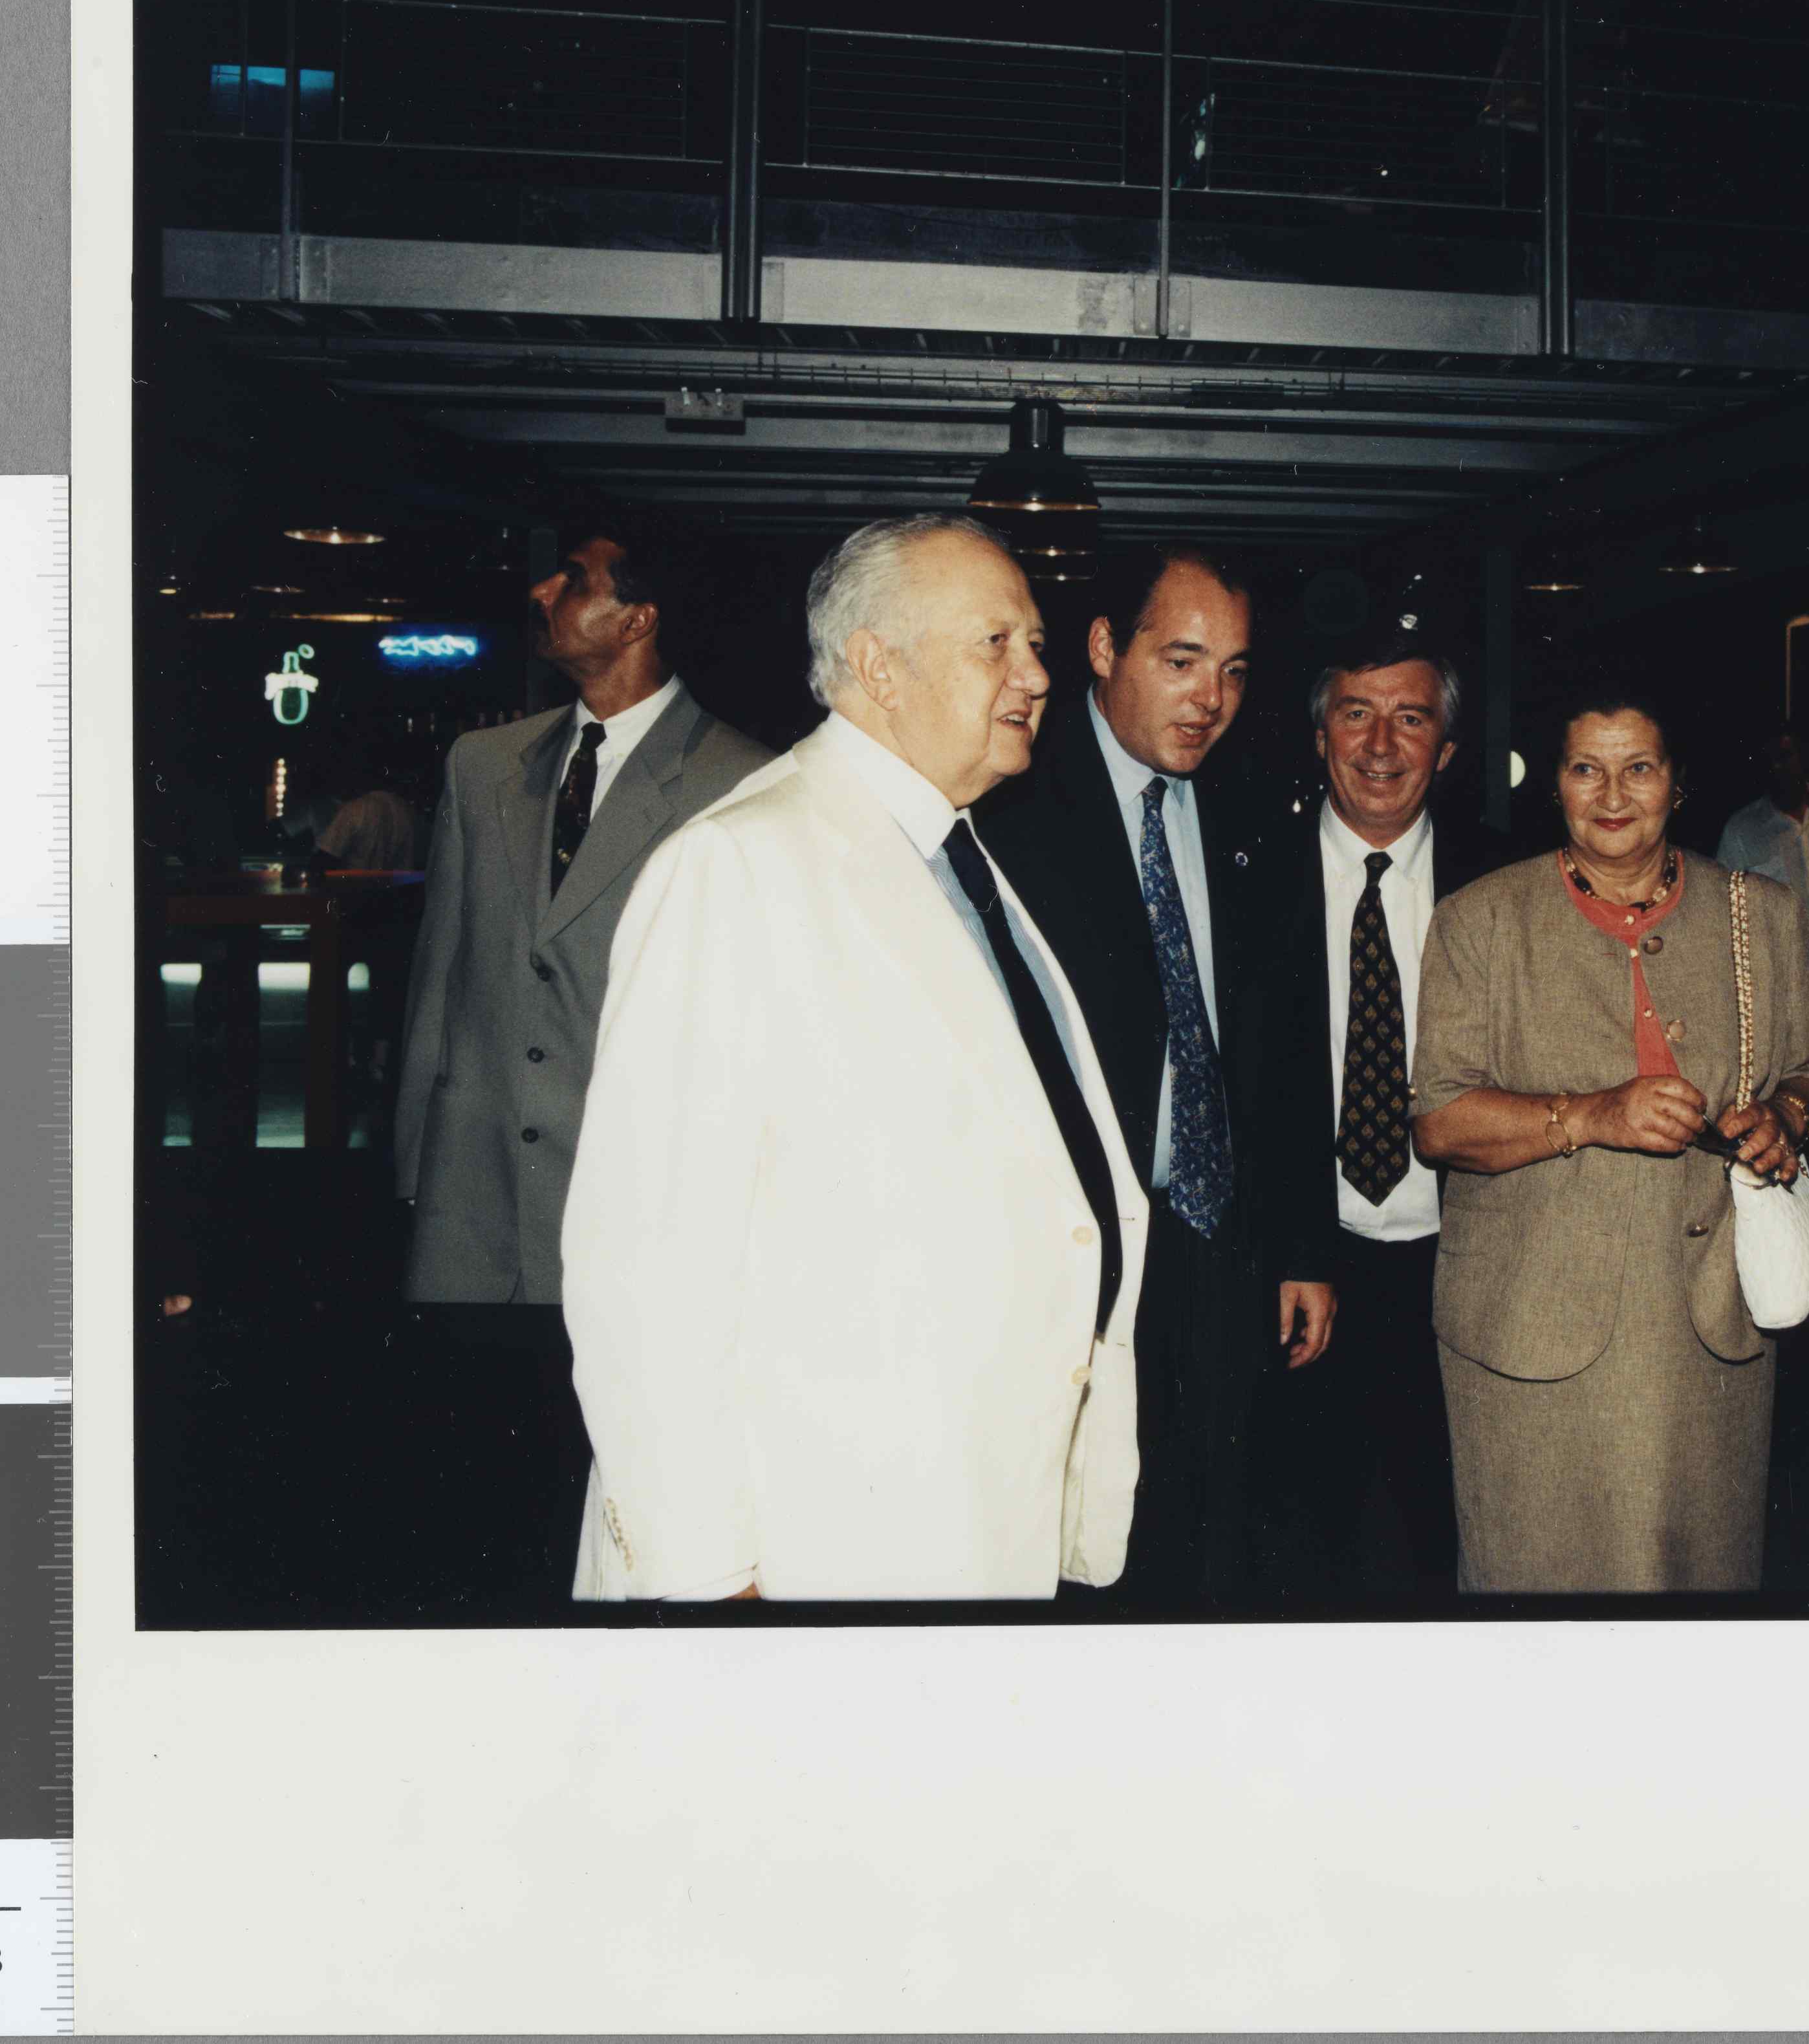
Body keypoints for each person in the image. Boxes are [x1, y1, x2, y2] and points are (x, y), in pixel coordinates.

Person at [562, 515, 1150, 1600]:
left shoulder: (958, 854)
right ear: (879, 666)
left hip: (959, 1520)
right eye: (997, 643)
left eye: (1034, 643)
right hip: (810, 1553)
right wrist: (708, 1581)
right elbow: (643, 1273)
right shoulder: (738, 866)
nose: (1036, 673)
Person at [391, 528, 768, 1607]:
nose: (543, 590)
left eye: (576, 581)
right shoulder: (483, 765)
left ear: (638, 618)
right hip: (474, 1205)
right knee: (466, 1512)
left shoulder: (743, 782)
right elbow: (442, 972)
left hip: (631, 1213)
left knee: (611, 1505)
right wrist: (416, 1171)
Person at [1410, 690, 1809, 1593]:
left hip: (1706, 1324)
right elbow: (1441, 1121)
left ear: (1676, 782)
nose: (1612, 795)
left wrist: (1786, 1117)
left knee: (1696, 1588)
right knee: (1535, 1592)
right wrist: (1593, 1115)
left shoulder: (1759, 914)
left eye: (1638, 768)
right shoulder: (1479, 919)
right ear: (1555, 784)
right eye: (1586, 769)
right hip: (1531, 1323)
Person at [980, 544, 1334, 1606]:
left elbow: (1284, 1046)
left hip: (1220, 1240)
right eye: (1182, 662)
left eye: (1233, 671)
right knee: (1077, 1539)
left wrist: (1302, 1247)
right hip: (1077, 1249)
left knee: (1210, 1536)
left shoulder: (1255, 807)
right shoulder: (1008, 807)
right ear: (1103, 648)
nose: (1210, 700)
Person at [1255, 629, 1496, 1602]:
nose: (1381, 744)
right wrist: (1290, 1246)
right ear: (1321, 735)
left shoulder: (1503, 879)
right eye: (1356, 714)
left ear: (1447, 747)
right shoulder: (1245, 871)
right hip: (1304, 1265)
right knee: (1302, 1547)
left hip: (1462, 1255)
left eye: (1411, 718)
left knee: (1454, 1540)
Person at [1715, 728, 1809, 906]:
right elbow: (1722, 899)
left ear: (1804, 758)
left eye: (1784, 756)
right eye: (1770, 759)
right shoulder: (1740, 829)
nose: (1776, 766)